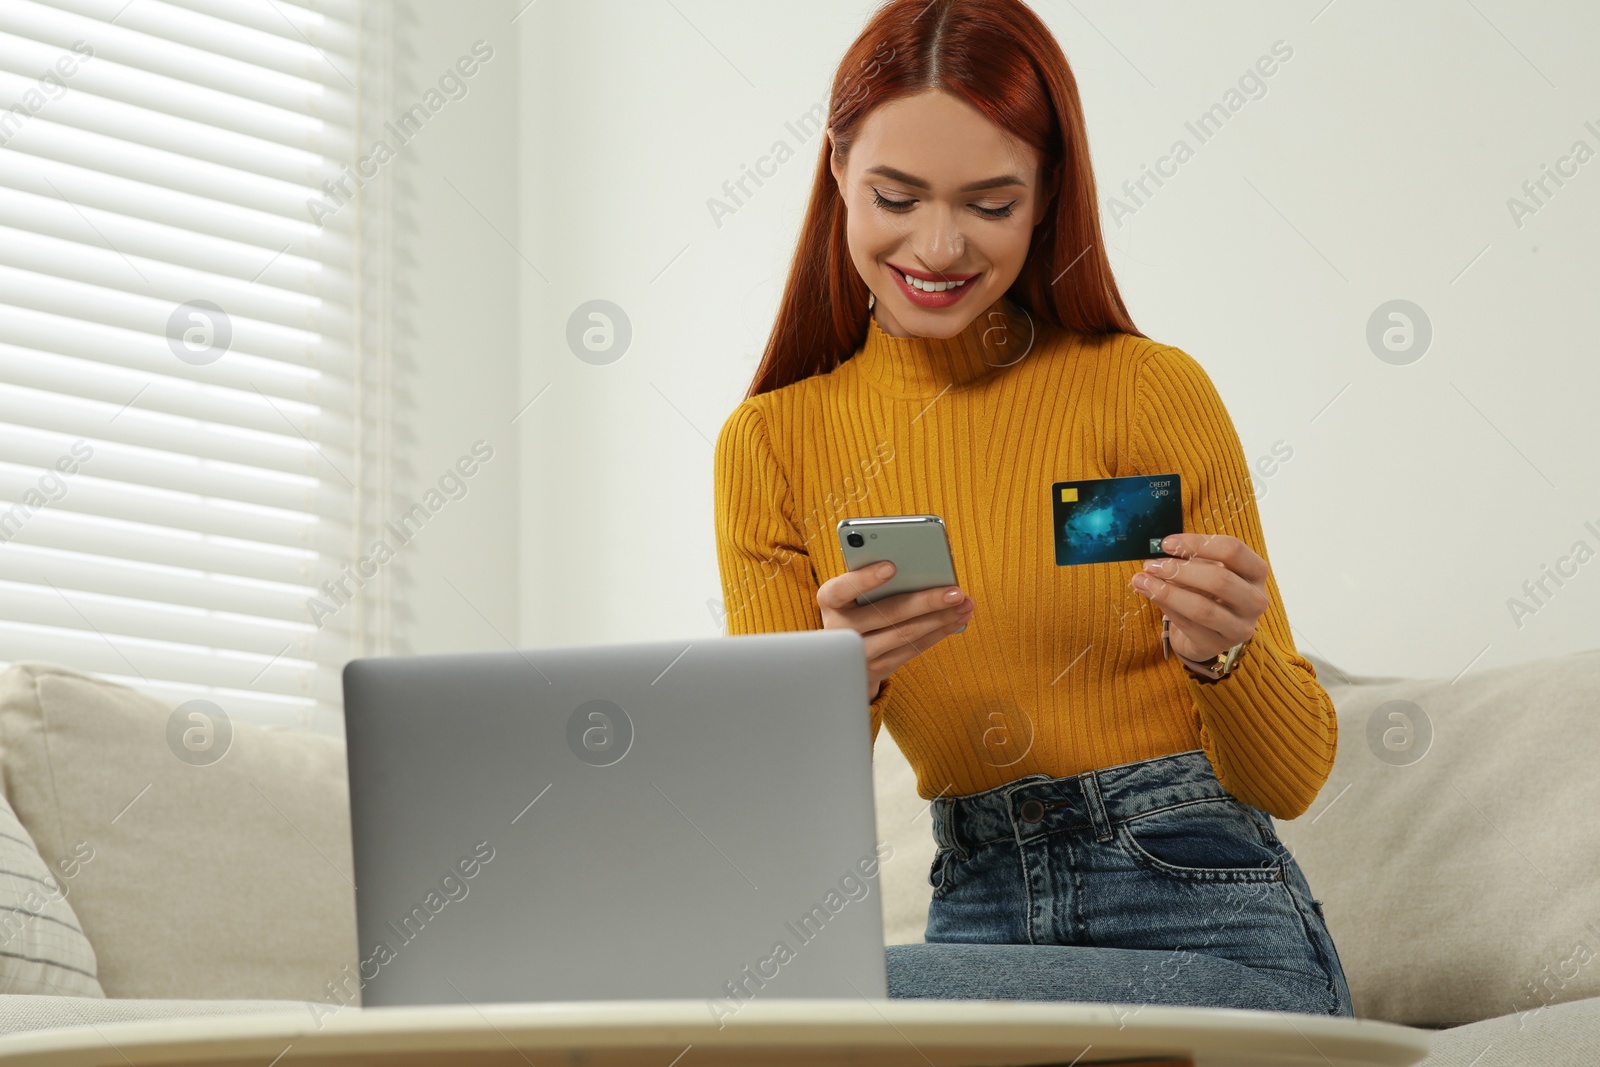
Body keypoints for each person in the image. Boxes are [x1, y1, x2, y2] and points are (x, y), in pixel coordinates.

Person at [711, 0, 1352, 1018]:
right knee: (780, 997)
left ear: (1048, 195)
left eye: (990, 203)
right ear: (835, 172)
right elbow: (775, 829)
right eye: (896, 195)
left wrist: (1220, 658)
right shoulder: (772, 446)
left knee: (796, 1004)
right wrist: (838, 682)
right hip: (977, 916)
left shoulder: (1146, 390)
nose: (938, 243)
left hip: (1213, 928)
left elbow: (1293, 773)